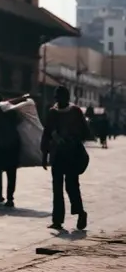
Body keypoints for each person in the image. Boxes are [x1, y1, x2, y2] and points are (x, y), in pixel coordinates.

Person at [42, 85, 89, 231]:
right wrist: (44, 154)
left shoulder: (76, 111)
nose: (60, 100)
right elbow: (46, 133)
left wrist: (73, 138)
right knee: (57, 189)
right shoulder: (52, 113)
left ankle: (80, 212)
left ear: (67, 98)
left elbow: (85, 132)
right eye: (57, 97)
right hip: (57, 155)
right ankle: (57, 220)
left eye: (62, 97)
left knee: (71, 186)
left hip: (72, 155)